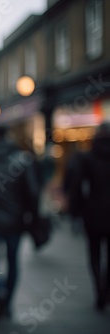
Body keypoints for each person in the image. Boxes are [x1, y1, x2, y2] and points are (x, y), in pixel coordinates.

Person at [0, 125, 39, 322]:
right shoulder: (22, 160)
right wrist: (33, 216)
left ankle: (0, 294)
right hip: (15, 220)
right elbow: (33, 192)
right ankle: (7, 301)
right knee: (13, 261)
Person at [70, 122, 110, 311]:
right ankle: (105, 288)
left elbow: (77, 186)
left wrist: (77, 211)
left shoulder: (87, 158)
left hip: (93, 213)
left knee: (94, 253)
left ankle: (99, 289)